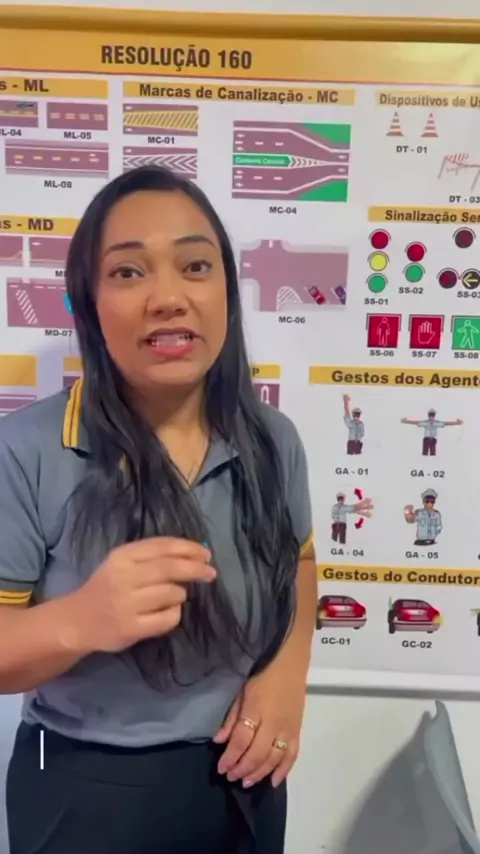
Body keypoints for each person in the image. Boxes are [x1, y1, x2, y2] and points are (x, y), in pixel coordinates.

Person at [0, 166, 318, 854]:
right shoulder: (24, 450)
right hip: (77, 775)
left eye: (196, 266)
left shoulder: (273, 439)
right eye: (128, 272)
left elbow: (299, 562)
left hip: (246, 776)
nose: (169, 298)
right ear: (88, 303)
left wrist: (283, 679)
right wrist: (82, 619)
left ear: (227, 291)